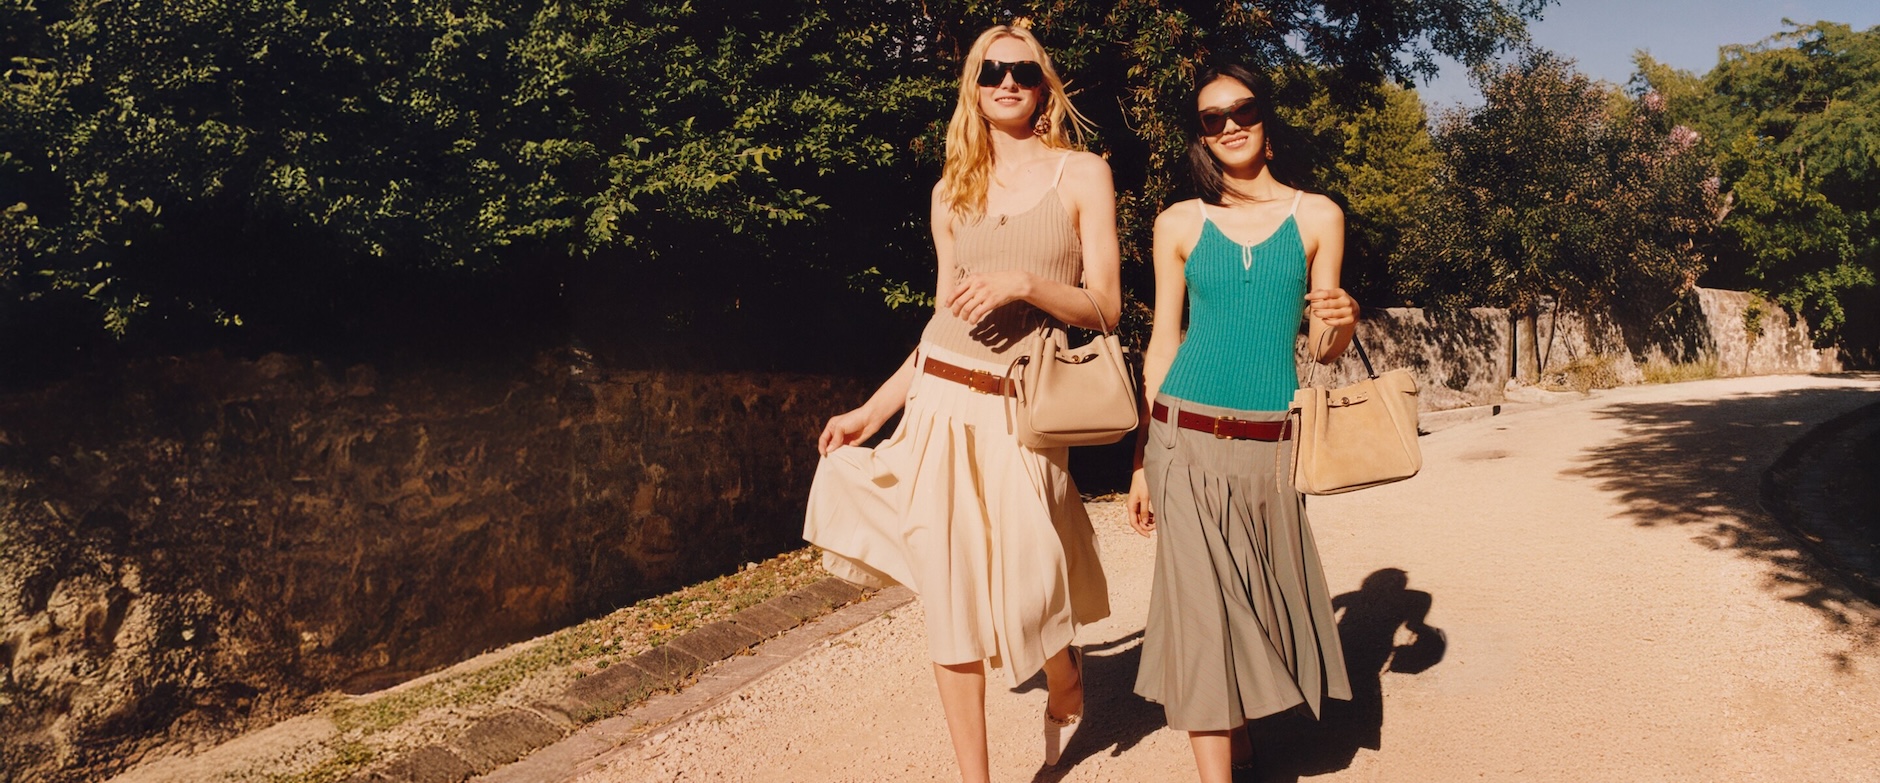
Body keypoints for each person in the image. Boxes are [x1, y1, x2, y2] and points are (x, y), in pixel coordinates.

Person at [802, 23, 1119, 781]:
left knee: (1035, 579)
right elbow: (940, 324)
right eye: (992, 70)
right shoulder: (951, 191)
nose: (1007, 82)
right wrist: (872, 412)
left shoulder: (1081, 174)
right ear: (973, 87)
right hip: (939, 405)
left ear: (1044, 88)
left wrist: (1025, 285)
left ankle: (1065, 671)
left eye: (1023, 71)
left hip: (1022, 412)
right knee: (950, 598)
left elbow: (1105, 306)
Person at [1125, 62, 1361, 782]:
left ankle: (1241, 731)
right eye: (1212, 118)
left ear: (1266, 118)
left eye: (1243, 110)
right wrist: (1141, 459)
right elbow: (1162, 344)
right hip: (1182, 435)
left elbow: (1320, 347)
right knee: (1201, 609)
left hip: (1270, 443)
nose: (1230, 125)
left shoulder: (1318, 216)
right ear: (1201, 134)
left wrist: (1344, 320)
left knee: (1254, 597)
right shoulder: (1178, 222)